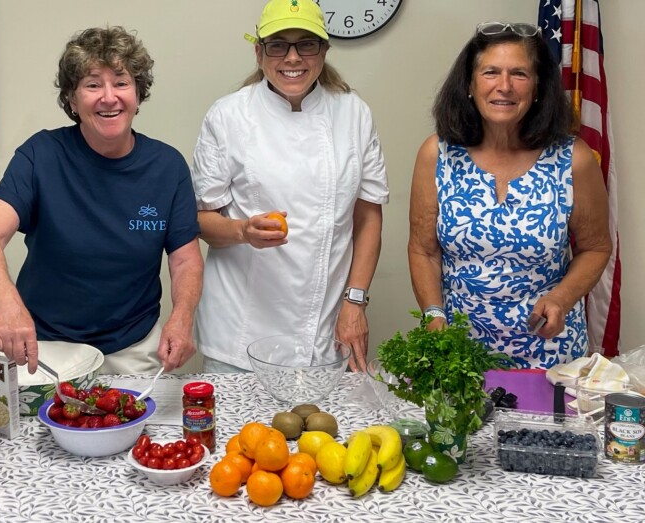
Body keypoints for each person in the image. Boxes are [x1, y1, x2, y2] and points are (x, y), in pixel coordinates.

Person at [0, 27, 203, 375]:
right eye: (93, 85)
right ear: (73, 100)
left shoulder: (167, 166)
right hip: (48, 347)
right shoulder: (41, 154)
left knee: (140, 429)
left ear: (138, 94)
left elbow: (185, 260)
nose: (109, 97)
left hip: (135, 347)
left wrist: (182, 319)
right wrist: (8, 306)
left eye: (121, 83)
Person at [191, 0, 390, 373]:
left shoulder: (353, 113)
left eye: (306, 44)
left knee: (325, 433)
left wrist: (355, 302)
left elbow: (368, 217)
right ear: (259, 52)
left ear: (324, 51)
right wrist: (242, 230)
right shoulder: (228, 115)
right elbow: (202, 221)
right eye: (278, 44)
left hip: (328, 331)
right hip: (240, 332)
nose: (293, 58)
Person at [408, 22, 612, 369]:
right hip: (460, 354)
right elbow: (423, 249)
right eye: (490, 72)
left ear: (537, 88)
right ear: (470, 85)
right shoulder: (437, 154)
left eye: (519, 74)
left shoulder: (572, 158)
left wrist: (561, 299)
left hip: (550, 355)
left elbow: (596, 247)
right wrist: (433, 313)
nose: (504, 86)